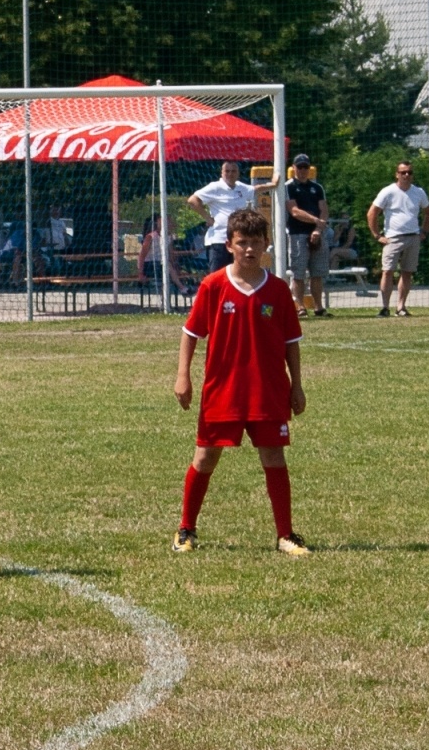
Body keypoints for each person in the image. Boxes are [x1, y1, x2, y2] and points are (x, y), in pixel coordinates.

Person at [172, 208, 308, 557]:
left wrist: (297, 385)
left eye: (256, 242)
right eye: (242, 242)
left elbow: (291, 342)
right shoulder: (213, 286)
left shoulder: (277, 291)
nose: (249, 249)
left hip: (268, 390)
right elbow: (191, 333)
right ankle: (186, 529)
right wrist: (182, 376)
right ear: (229, 245)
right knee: (205, 457)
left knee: (274, 457)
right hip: (223, 390)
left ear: (266, 244)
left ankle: (285, 534)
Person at [367, 161, 429, 317]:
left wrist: (424, 231)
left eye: (409, 172)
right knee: (387, 271)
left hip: (413, 237)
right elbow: (372, 213)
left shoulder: (419, 192)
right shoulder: (388, 191)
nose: (406, 175)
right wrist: (377, 235)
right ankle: (385, 307)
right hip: (393, 238)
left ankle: (401, 307)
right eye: (403, 172)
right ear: (397, 174)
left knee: (407, 272)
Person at [188, 162, 265, 273]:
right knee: (218, 275)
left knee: (238, 274)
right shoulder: (215, 187)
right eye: (227, 171)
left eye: (233, 171)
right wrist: (208, 218)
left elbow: (256, 189)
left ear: (238, 173)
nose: (230, 174)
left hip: (238, 240)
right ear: (222, 173)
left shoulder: (241, 187)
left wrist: (275, 183)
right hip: (219, 240)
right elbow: (192, 200)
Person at [284, 154, 329, 317]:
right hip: (297, 234)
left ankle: (319, 307)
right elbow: (294, 211)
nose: (303, 170)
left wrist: (318, 228)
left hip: (317, 233)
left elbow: (324, 209)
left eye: (305, 167)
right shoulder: (288, 187)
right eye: (300, 167)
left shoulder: (317, 188)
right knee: (299, 273)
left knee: (317, 273)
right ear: (294, 168)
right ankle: (300, 306)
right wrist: (315, 220)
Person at [139, 214, 190, 297]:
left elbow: (170, 254)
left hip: (163, 264)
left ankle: (165, 300)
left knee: (168, 266)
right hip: (150, 265)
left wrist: (176, 265)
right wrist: (140, 272)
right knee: (167, 264)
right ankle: (182, 288)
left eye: (169, 222)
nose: (169, 224)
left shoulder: (169, 237)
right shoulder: (150, 237)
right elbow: (142, 255)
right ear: (158, 223)